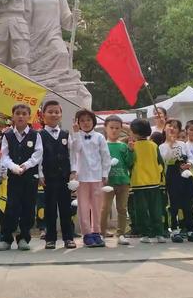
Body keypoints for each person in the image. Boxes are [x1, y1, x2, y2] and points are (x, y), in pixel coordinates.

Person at [0, 104, 43, 251]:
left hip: (30, 177)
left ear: (29, 116)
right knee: (12, 207)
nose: (21, 116)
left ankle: (24, 237)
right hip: (14, 177)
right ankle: (7, 238)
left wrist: (26, 165)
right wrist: (14, 167)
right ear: (13, 116)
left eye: (24, 113)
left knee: (28, 207)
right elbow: (4, 155)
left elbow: (38, 154)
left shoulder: (36, 135)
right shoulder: (7, 135)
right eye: (17, 113)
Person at [38, 100, 76, 249]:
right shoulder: (39, 135)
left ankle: (68, 237)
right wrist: (40, 174)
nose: (54, 114)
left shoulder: (66, 134)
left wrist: (73, 172)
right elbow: (38, 157)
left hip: (65, 177)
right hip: (48, 178)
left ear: (61, 115)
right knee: (50, 208)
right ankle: (50, 238)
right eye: (50, 111)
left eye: (57, 112)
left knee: (66, 208)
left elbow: (72, 154)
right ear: (43, 115)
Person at [70, 109, 110, 248]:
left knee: (97, 206)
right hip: (81, 177)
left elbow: (105, 156)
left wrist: (105, 173)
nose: (85, 123)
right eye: (82, 120)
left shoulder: (99, 137)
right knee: (83, 206)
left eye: (88, 120)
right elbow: (75, 151)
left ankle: (96, 232)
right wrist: (75, 133)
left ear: (93, 121)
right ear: (77, 122)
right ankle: (86, 234)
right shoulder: (76, 136)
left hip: (97, 176)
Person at [160, 119, 193, 243]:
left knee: (188, 203)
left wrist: (189, 164)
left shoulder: (183, 144)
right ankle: (174, 230)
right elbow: (165, 159)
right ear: (164, 129)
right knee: (174, 204)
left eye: (175, 127)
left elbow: (191, 157)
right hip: (172, 176)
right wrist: (171, 145)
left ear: (179, 130)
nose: (172, 129)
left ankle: (190, 229)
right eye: (169, 126)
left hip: (185, 175)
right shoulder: (162, 146)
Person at [129, 119, 165, 244]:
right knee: (156, 209)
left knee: (141, 211)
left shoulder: (133, 146)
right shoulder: (154, 145)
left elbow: (130, 163)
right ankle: (159, 233)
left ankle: (145, 234)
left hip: (138, 184)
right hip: (154, 183)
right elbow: (161, 163)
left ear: (135, 132)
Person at [100, 115, 134, 246]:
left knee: (122, 208)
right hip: (107, 182)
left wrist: (131, 151)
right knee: (105, 208)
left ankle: (121, 234)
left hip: (123, 181)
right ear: (105, 128)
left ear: (121, 129)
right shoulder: (102, 145)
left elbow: (129, 163)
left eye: (117, 128)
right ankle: (101, 234)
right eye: (111, 127)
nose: (114, 130)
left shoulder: (124, 146)